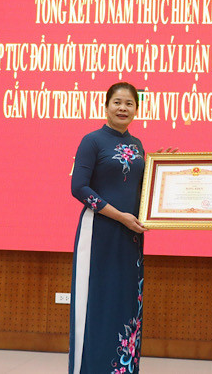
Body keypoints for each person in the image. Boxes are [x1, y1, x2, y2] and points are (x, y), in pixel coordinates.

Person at [69, 82, 147, 374]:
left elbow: (144, 188)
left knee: (126, 302)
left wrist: (163, 166)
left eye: (129, 103)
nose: (123, 108)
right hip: (99, 233)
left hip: (130, 237)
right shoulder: (92, 141)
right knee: (97, 303)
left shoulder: (138, 145)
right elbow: (79, 188)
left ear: (136, 109)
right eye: (117, 102)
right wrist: (119, 216)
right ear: (106, 106)